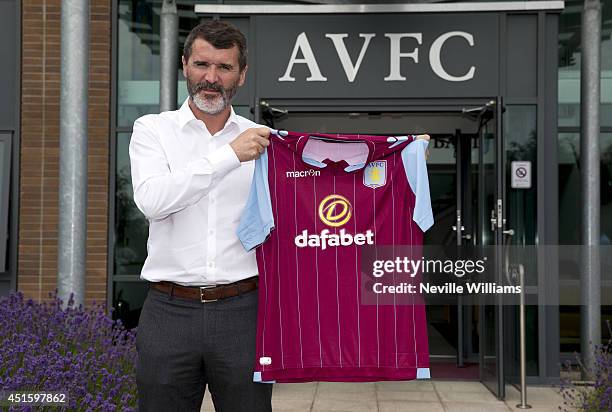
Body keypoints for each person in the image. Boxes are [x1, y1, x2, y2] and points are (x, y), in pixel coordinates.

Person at [129, 20, 272, 412]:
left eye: (224, 68)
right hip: (168, 312)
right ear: (184, 66)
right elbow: (154, 200)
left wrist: (401, 156)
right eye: (201, 64)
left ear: (241, 75)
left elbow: (321, 187)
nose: (211, 78)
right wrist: (229, 156)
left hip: (244, 311)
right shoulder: (152, 131)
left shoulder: (263, 140)